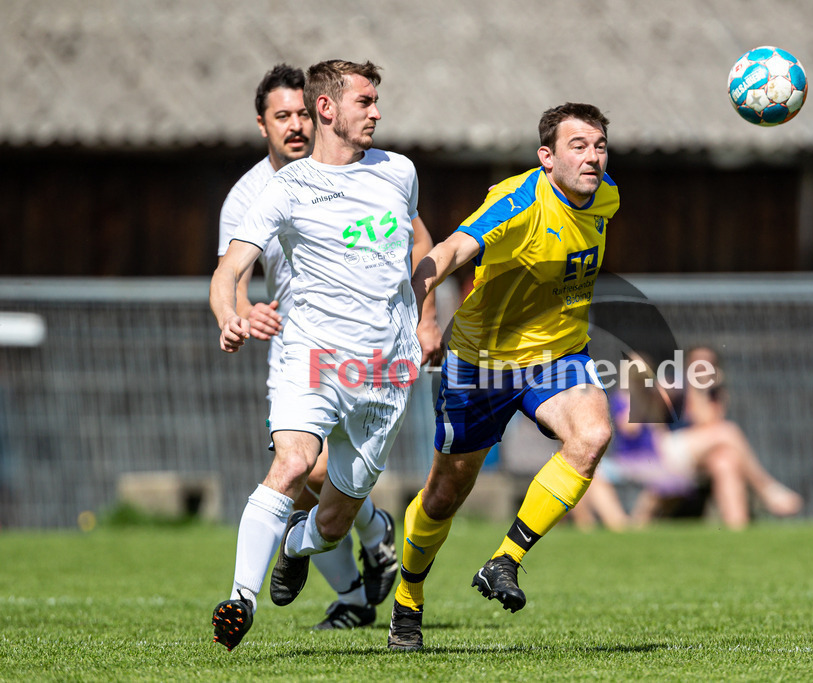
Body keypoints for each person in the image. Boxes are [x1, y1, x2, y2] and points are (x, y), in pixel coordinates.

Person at [210, 59, 439, 651]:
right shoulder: (280, 189)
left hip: (385, 370)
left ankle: (296, 545)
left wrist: (426, 315)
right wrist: (230, 314)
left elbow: (419, 246)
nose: (378, 112)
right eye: (366, 101)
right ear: (329, 110)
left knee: (333, 522)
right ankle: (240, 600)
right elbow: (229, 268)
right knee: (292, 465)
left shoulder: (400, 172)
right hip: (309, 357)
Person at [387, 103, 620, 652]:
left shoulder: (606, 194)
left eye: (599, 145)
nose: (592, 157)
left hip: (559, 355)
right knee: (444, 494)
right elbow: (448, 252)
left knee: (592, 435)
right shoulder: (517, 201)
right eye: (578, 146)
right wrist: (422, 317)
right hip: (481, 361)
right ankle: (407, 601)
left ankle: (504, 561)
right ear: (547, 156)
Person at [654, 346, 803, 529]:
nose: (702, 367)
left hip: (699, 455)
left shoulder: (715, 393)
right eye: (697, 362)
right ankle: (767, 490)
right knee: (728, 431)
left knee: (726, 461)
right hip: (668, 451)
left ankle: (737, 532)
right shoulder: (673, 383)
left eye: (707, 362)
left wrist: (705, 390)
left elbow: (708, 422)